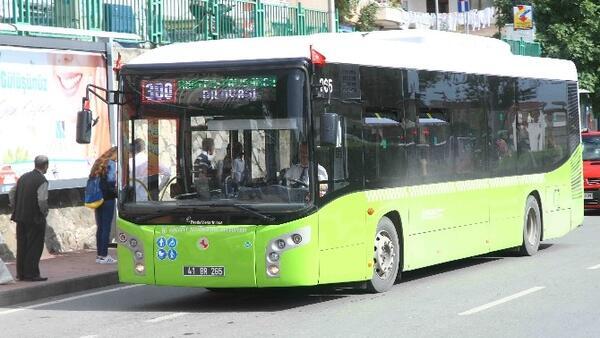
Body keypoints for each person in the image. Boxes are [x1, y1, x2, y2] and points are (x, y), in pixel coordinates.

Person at [8, 155, 50, 281]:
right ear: (45, 166)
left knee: (22, 245)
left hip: (20, 216)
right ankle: (31, 274)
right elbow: (42, 200)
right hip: (35, 218)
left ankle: (21, 273)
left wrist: (15, 206)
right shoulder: (42, 180)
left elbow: (11, 193)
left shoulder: (23, 177)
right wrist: (45, 212)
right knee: (34, 245)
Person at [89, 147, 118, 264]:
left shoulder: (98, 162)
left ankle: (99, 255)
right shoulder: (111, 164)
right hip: (108, 199)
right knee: (106, 227)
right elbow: (111, 181)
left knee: (100, 227)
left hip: (97, 198)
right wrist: (116, 190)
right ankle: (104, 255)